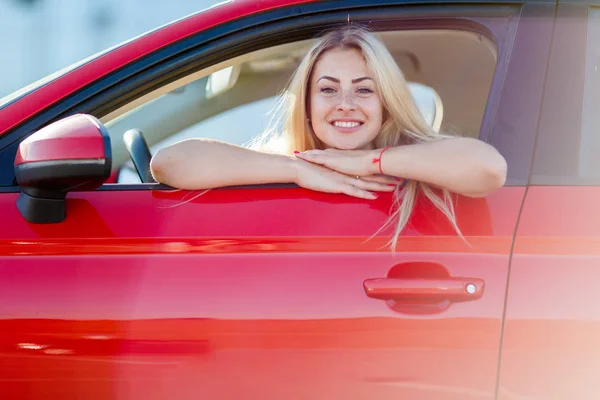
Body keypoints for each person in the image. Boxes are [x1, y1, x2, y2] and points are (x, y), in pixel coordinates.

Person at [150, 26, 507, 247]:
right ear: (307, 103)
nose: (346, 105)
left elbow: (488, 169)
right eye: (328, 89)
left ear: (386, 102)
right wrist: (294, 170)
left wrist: (370, 161)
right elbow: (168, 163)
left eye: (364, 90)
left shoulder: (423, 168)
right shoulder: (282, 165)